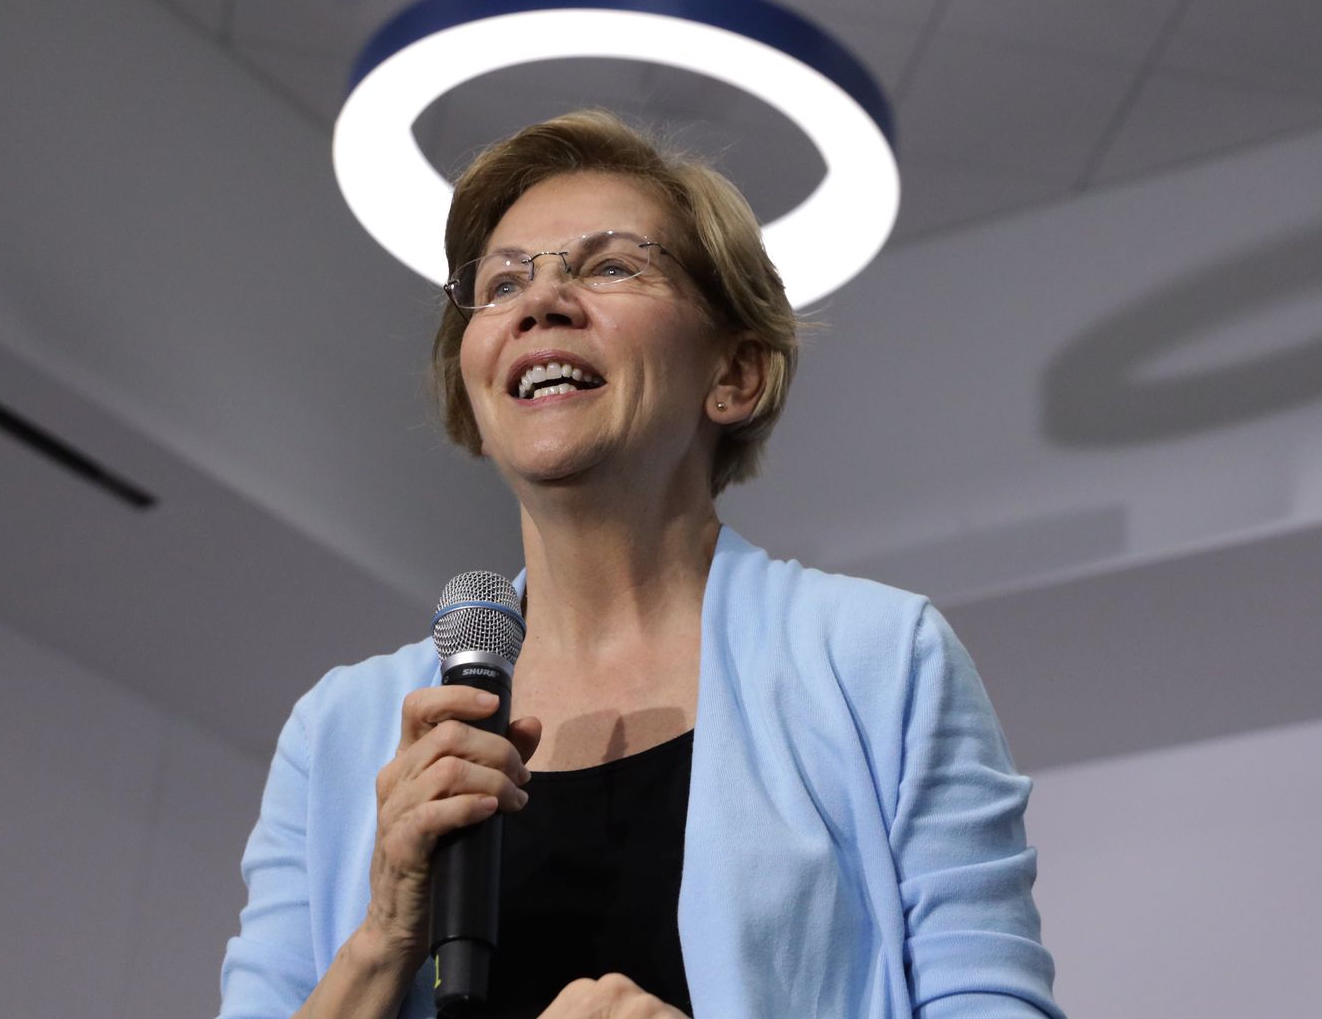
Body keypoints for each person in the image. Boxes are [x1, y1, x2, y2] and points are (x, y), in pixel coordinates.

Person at [219, 110, 1062, 1018]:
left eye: (610, 265)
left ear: (734, 374)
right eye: (501, 283)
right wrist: (385, 932)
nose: (540, 301)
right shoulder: (340, 732)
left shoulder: (878, 660)